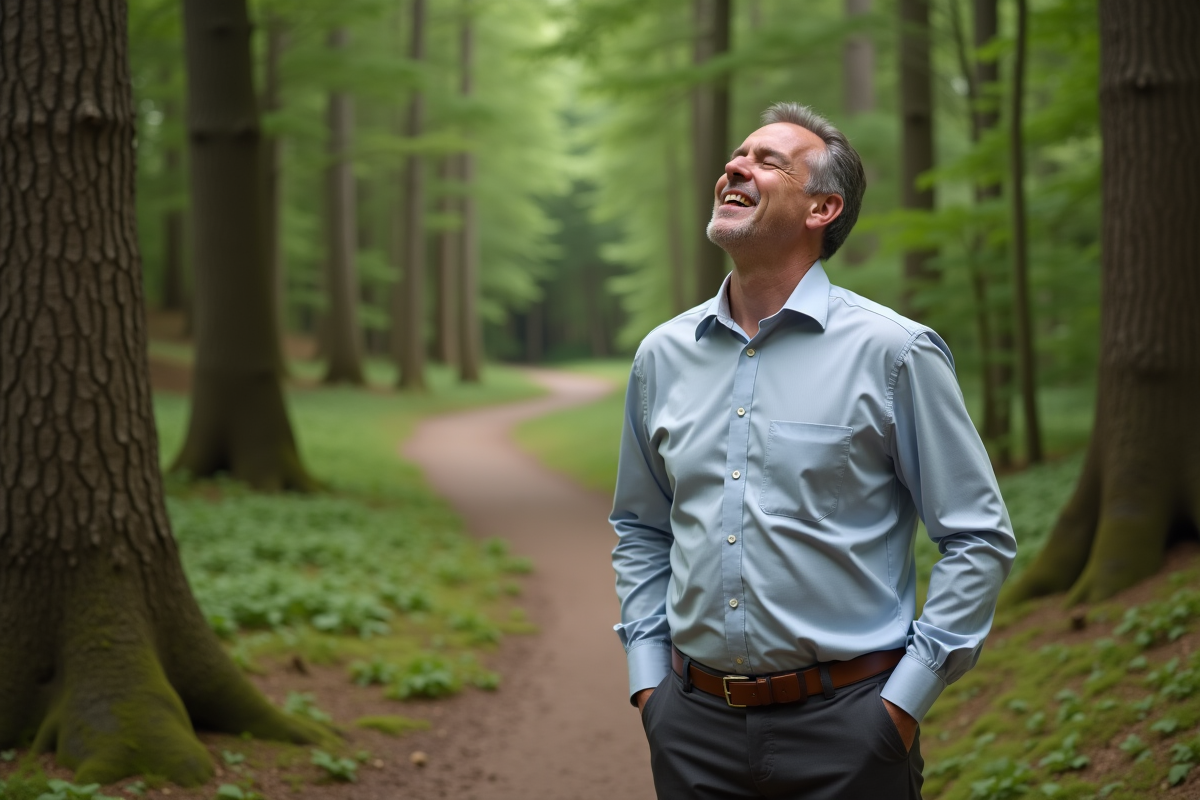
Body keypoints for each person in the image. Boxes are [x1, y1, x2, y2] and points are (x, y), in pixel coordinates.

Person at [609, 102, 1017, 799]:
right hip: (691, 730)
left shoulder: (894, 353)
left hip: (850, 733)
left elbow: (978, 538)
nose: (735, 166)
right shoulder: (662, 357)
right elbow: (641, 528)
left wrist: (899, 708)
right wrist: (651, 684)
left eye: (768, 161)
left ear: (823, 208)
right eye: (736, 155)